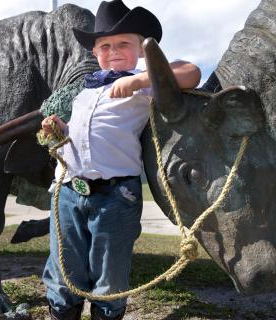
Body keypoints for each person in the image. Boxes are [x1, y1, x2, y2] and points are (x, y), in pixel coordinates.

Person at [41, 1, 201, 319]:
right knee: (64, 269)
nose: (113, 50)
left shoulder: (145, 84)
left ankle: (106, 312)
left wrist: (140, 80)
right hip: (68, 192)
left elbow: (192, 73)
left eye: (123, 44)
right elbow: (74, 138)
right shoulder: (81, 92)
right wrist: (57, 130)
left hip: (116, 195)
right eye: (105, 45)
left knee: (109, 272)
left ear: (140, 50)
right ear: (95, 52)